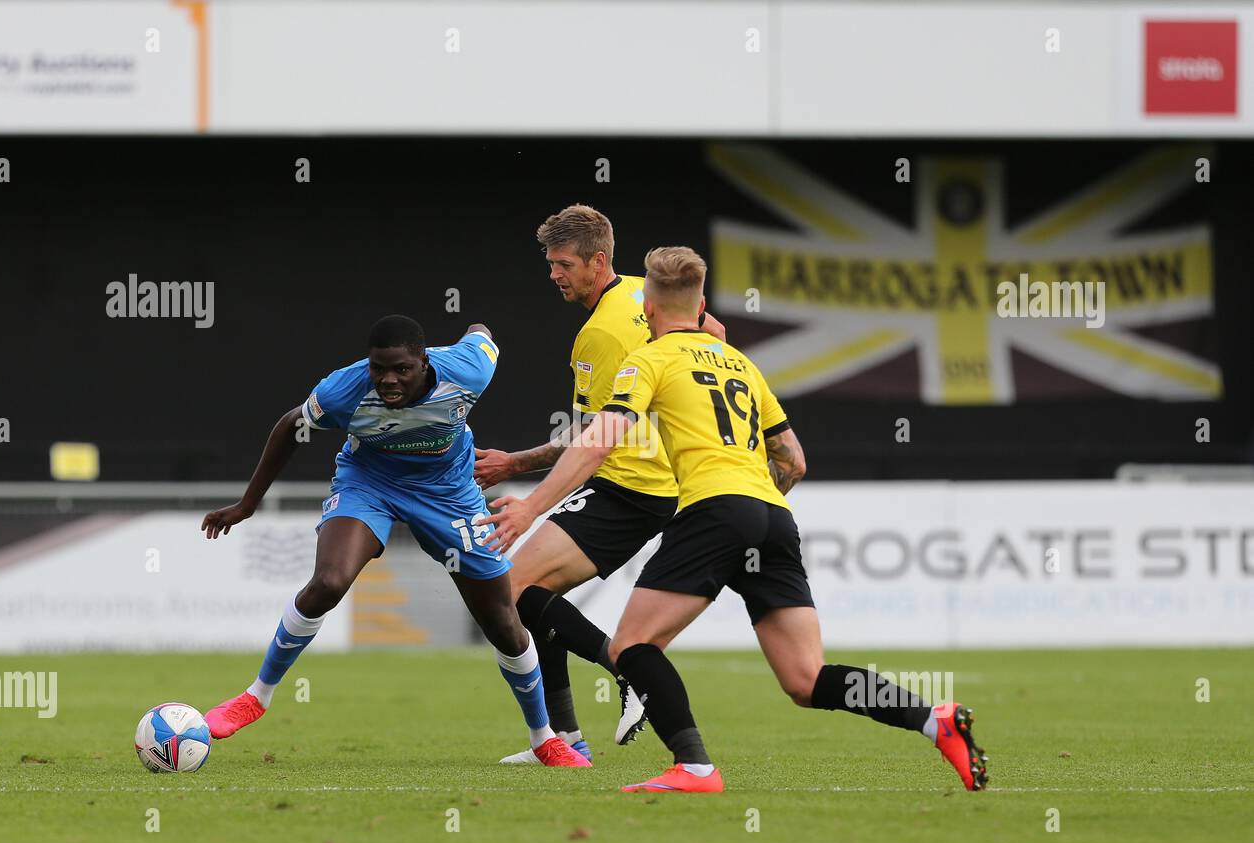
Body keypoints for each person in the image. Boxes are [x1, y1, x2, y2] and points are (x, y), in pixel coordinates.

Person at [478, 248, 988, 792]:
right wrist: (753, 501)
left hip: (713, 511)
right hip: (773, 516)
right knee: (805, 678)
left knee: (631, 648)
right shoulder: (742, 364)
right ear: (701, 306)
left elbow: (597, 443)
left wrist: (531, 506)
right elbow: (793, 459)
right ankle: (934, 721)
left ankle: (695, 767)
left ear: (648, 307)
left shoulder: (648, 360)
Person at [199, 314, 589, 767]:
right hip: (370, 484)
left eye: (401, 369)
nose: (388, 380)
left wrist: (477, 329)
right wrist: (248, 504)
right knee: (329, 581)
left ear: (424, 362)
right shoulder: (342, 390)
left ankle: (543, 738)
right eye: (378, 368)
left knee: (502, 619)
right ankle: (256, 698)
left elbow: (482, 334)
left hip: (450, 493)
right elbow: (290, 426)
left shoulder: (468, 370)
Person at [473, 204, 726, 764]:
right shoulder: (646, 291)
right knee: (533, 597)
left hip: (628, 486)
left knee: (507, 590)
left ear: (598, 261)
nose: (554, 274)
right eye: (551, 264)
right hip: (658, 481)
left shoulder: (601, 335)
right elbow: (714, 331)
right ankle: (565, 739)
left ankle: (625, 667)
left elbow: (597, 435)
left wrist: (522, 476)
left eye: (564, 264)